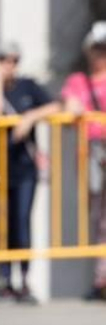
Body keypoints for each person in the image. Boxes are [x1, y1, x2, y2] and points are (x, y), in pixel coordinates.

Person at [0, 41, 57, 303]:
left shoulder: (28, 87)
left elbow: (56, 106)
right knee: (0, 225)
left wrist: (30, 117)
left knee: (21, 223)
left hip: (24, 169)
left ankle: (23, 280)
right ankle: (3, 281)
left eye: (13, 60)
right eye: (3, 60)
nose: (9, 65)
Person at [58, 20, 106, 300]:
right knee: (100, 217)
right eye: (97, 48)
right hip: (93, 152)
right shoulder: (79, 81)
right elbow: (68, 108)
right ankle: (102, 278)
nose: (101, 53)